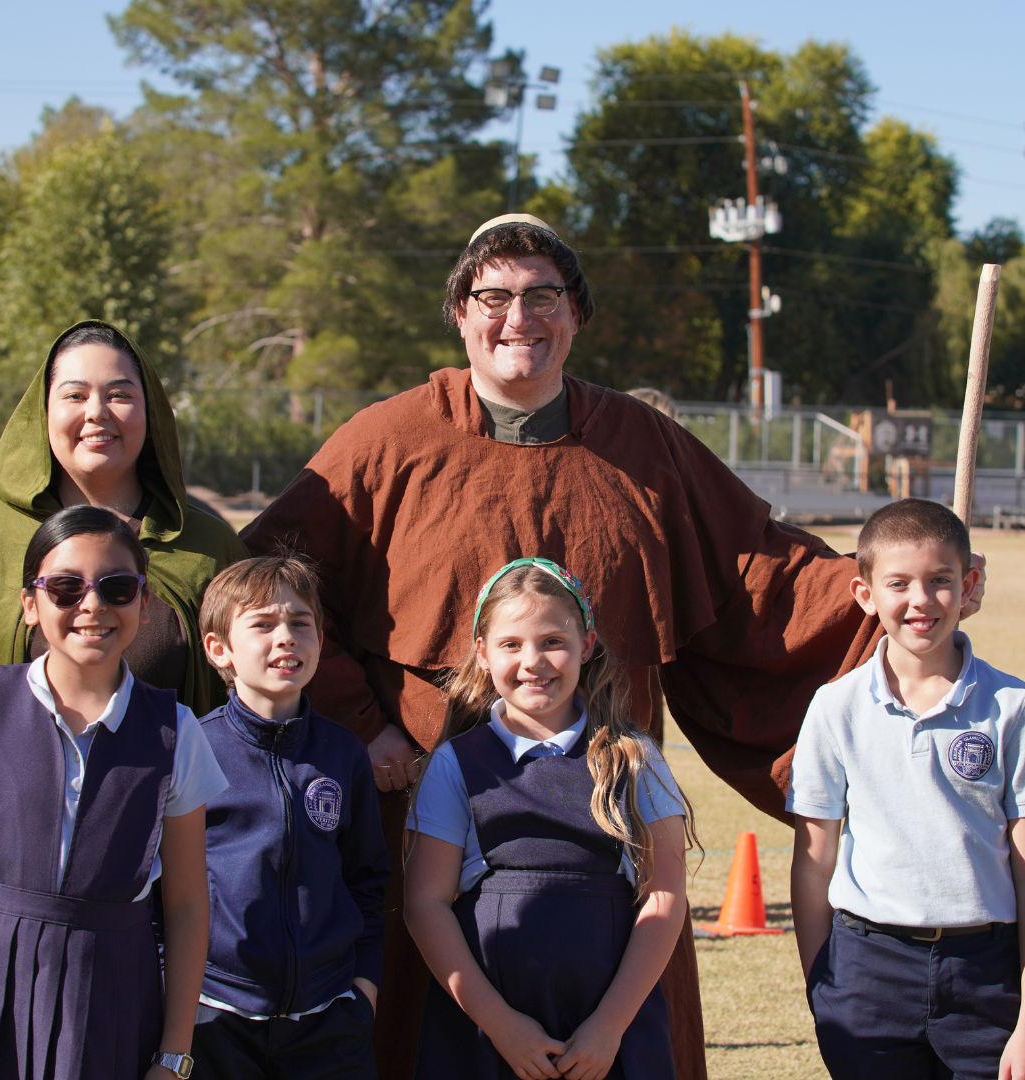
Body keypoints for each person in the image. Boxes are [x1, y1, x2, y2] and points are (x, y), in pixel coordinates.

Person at [241, 213, 987, 1080]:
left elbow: (761, 573)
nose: (518, 316)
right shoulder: (387, 440)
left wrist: (900, 594)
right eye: (495, 298)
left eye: (543, 297)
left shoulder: (643, 444)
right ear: (459, 314)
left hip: (611, 803)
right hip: (432, 803)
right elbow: (273, 576)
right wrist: (362, 721)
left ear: (577, 315)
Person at [0, 505, 226, 1080]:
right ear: (31, 605)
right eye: (66, 588)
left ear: (145, 604)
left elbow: (188, 904)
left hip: (112, 993)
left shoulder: (178, 734)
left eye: (117, 587)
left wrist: (174, 1056)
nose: (92, 605)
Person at [405, 560, 691, 1080]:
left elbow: (665, 897)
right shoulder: (456, 764)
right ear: (482, 653)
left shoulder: (633, 758)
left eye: (552, 641)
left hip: (607, 1028)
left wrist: (610, 1026)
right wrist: (500, 1025)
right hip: (486, 1031)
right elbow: (425, 903)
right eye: (511, 644)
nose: (533, 661)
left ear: (587, 643)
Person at [789, 498, 1024, 1080]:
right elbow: (814, 860)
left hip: (987, 971)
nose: (920, 601)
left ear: (969, 586)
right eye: (899, 583)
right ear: (866, 595)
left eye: (940, 581)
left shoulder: (1012, 707)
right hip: (867, 971)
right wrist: (821, 982)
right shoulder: (835, 706)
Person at [0, 320, 248, 714]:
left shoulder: (208, 546)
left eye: (119, 394)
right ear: (44, 412)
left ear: (151, 412)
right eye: (74, 395)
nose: (96, 412)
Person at [193, 555, 390, 1080]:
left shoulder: (344, 754)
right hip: (215, 1018)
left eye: (300, 623)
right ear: (220, 650)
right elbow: (161, 887)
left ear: (321, 642)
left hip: (329, 1021)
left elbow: (367, 880)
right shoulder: (192, 751)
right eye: (262, 624)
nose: (286, 637)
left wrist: (363, 989)